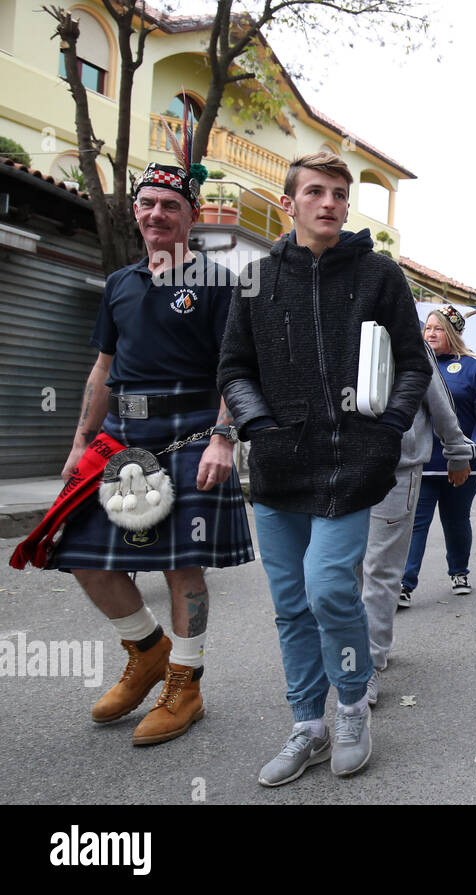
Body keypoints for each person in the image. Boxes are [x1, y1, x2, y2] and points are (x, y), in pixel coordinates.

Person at [218, 152, 432, 785]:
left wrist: (388, 429)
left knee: (330, 588)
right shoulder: (256, 278)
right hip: (278, 467)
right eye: (315, 191)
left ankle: (351, 704)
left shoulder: (379, 276)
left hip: (351, 465)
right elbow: (234, 367)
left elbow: (415, 363)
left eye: (339, 193)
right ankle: (306, 724)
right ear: (289, 203)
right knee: (289, 603)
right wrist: (257, 427)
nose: (330, 202)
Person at [46, 161, 255, 746]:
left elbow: (235, 369)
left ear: (191, 215)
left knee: (180, 564)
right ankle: (148, 651)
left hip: (190, 429)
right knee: (79, 550)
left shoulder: (218, 283)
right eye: (148, 204)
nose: (157, 214)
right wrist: (80, 442)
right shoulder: (119, 284)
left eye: (170, 205)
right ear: (135, 212)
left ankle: (185, 683)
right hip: (121, 436)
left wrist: (223, 436)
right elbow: (103, 367)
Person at [361, 329, 473, 702]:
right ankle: (364, 648)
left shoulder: (402, 335)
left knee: (380, 567)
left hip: (398, 468)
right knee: (346, 568)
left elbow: (438, 401)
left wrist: (458, 451)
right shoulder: (329, 323)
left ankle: (369, 665)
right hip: (339, 469)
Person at [401, 307, 476, 603]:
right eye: (427, 328)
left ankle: (459, 571)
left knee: (456, 520)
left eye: (438, 329)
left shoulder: (472, 367)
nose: (430, 333)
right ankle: (403, 584)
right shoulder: (412, 365)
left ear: (453, 333)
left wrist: (473, 455)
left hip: (463, 463)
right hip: (423, 463)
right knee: (416, 522)